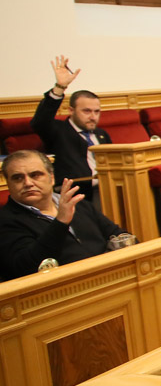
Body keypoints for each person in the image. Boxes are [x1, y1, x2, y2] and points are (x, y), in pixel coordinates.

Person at [0, 152, 128, 279]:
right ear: (8, 184)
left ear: (52, 178)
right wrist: (60, 222)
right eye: (18, 178)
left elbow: (119, 236)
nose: (28, 183)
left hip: (110, 276)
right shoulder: (6, 220)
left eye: (35, 175)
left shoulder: (78, 205)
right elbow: (27, 267)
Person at [32, 56, 109, 203]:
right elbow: (40, 121)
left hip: (106, 189)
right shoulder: (58, 131)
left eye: (96, 112)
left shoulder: (101, 134)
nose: (93, 117)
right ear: (71, 110)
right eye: (86, 111)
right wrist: (59, 88)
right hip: (78, 194)